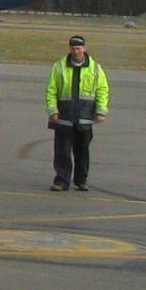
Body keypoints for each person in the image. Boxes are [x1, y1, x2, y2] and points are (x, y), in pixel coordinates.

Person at [46, 35, 110, 191]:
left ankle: (81, 180)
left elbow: (102, 89)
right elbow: (51, 89)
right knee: (62, 151)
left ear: (84, 48)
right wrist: (53, 110)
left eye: (79, 48)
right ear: (69, 49)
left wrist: (101, 111)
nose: (76, 51)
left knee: (82, 151)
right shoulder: (59, 66)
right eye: (73, 48)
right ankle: (62, 180)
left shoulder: (95, 68)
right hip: (64, 117)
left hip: (85, 117)